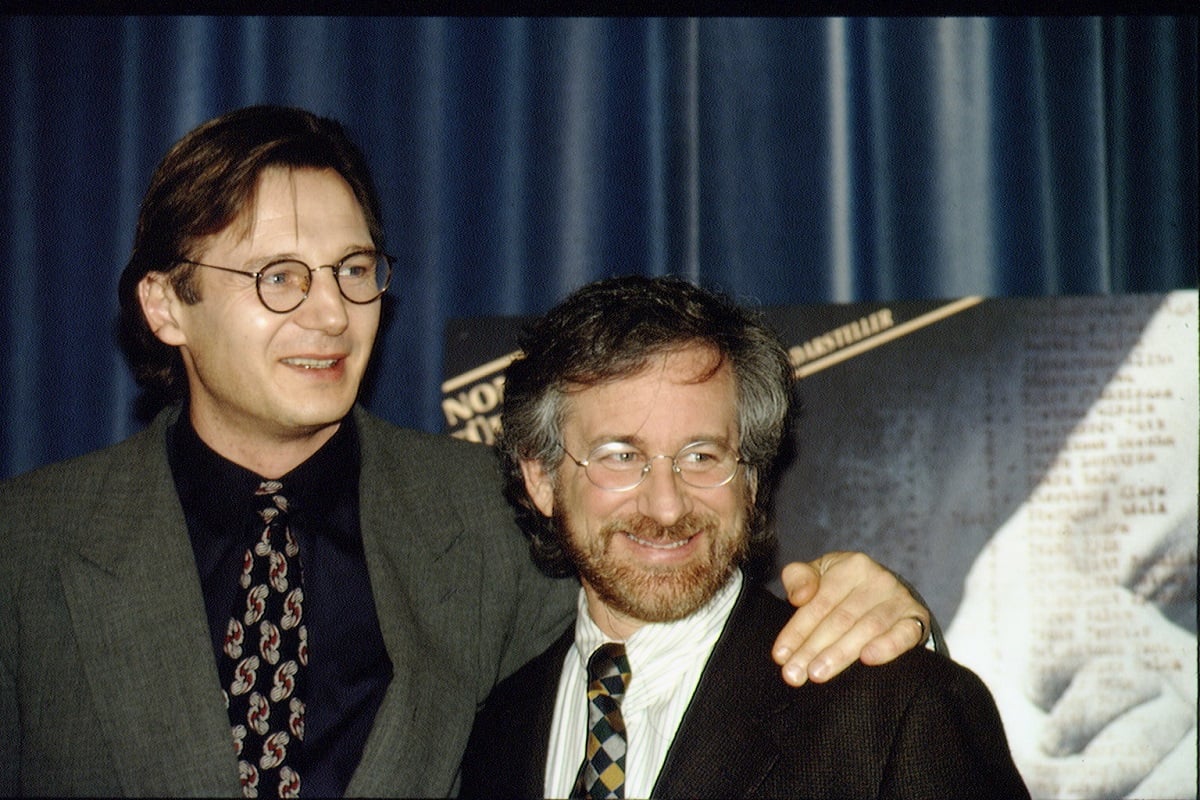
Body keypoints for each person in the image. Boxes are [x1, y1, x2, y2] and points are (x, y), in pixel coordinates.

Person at [0, 106, 931, 798]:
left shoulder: (499, 511)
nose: (331, 314)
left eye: (354, 271)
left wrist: (892, 622)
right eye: (280, 278)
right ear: (167, 306)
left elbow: (689, 621)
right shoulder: (26, 544)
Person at [459, 275, 1029, 799]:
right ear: (541, 478)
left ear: (751, 477)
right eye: (621, 456)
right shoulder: (496, 731)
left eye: (702, 455)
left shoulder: (897, 710)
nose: (665, 504)